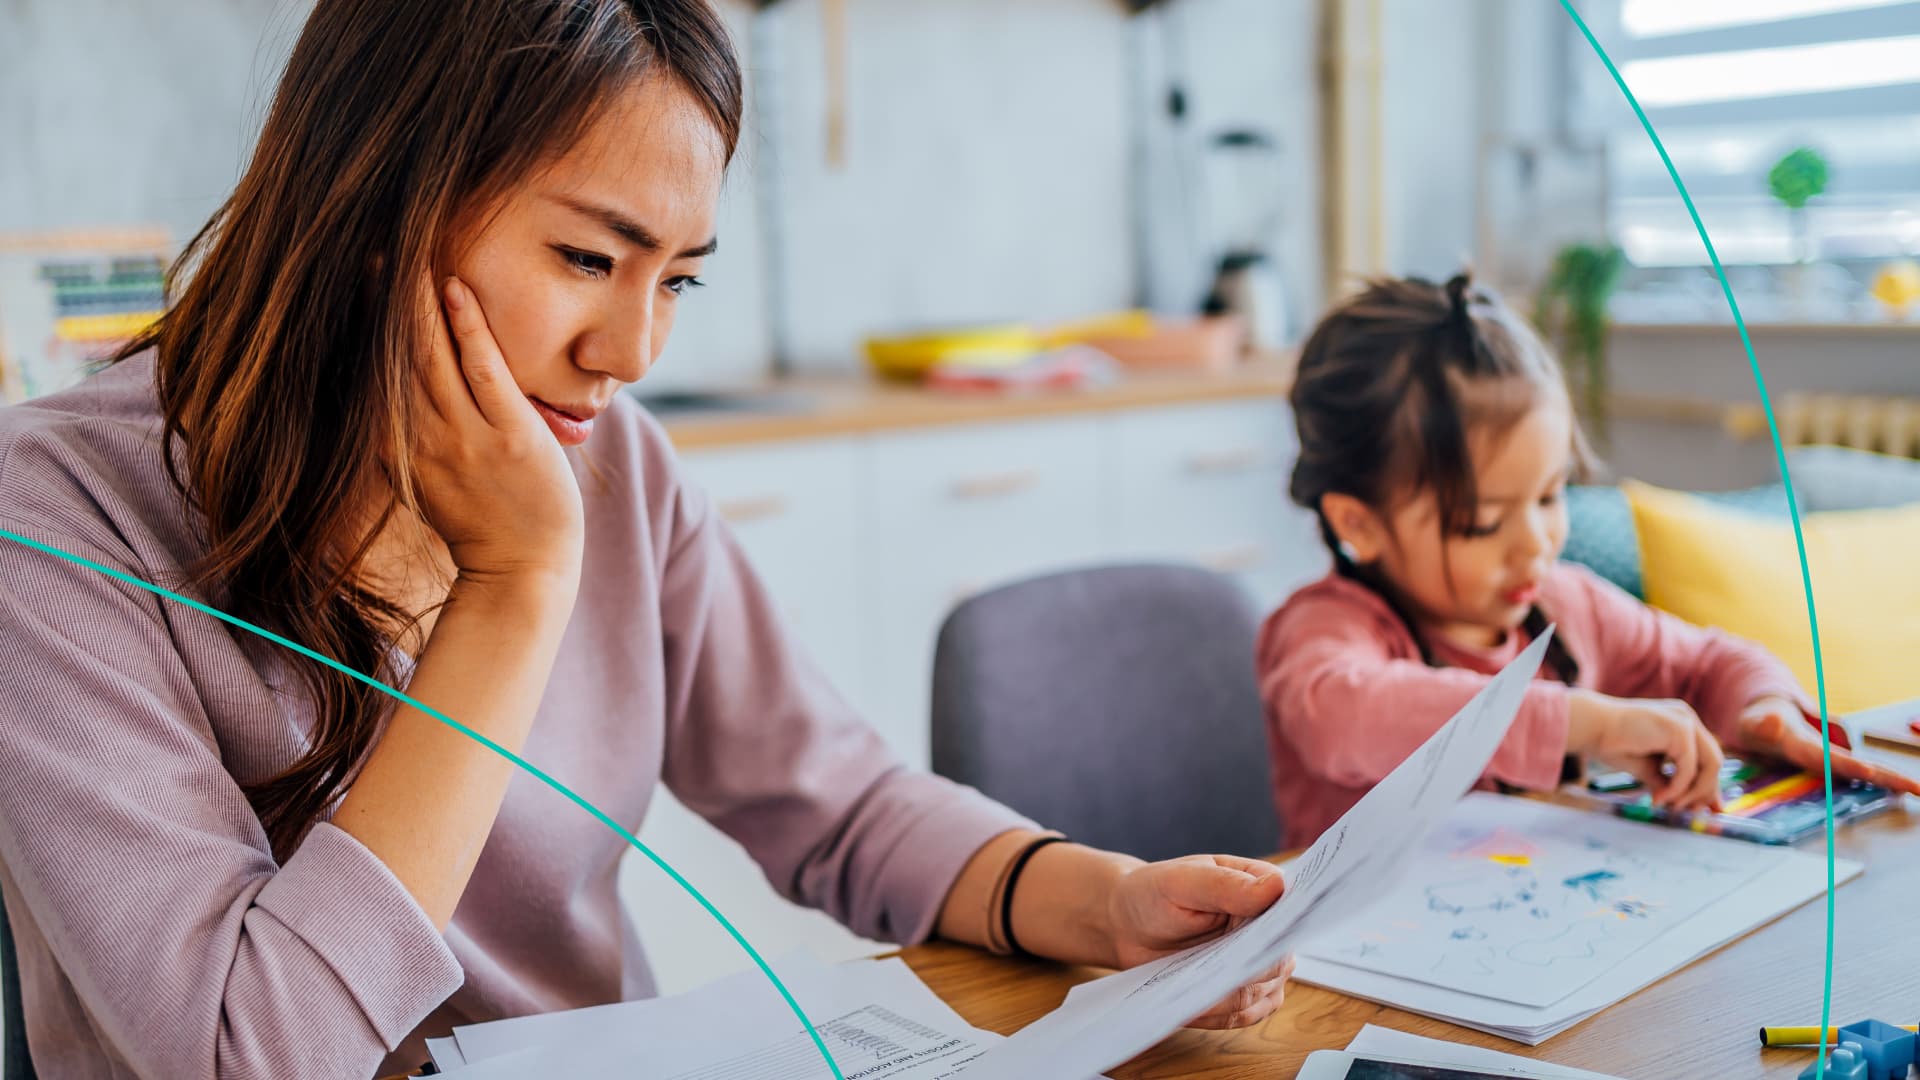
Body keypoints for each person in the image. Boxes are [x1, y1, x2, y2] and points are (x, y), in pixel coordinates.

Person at [0, 3, 1293, 1076]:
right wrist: (511, 595)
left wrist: (1108, 902)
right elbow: (247, 1056)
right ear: (373, 209)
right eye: (584, 256)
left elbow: (835, 803)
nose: (628, 355)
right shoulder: (53, 523)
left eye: (673, 278)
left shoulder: (606, 453)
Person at [1258, 272, 1920, 849]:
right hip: (1350, 973)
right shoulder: (1323, 629)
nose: (1535, 543)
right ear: (1358, 523)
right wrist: (1587, 721)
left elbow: (1715, 659)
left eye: (1550, 496)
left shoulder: (1567, 604)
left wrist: (1762, 709)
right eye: (1482, 522)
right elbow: (1343, 716)